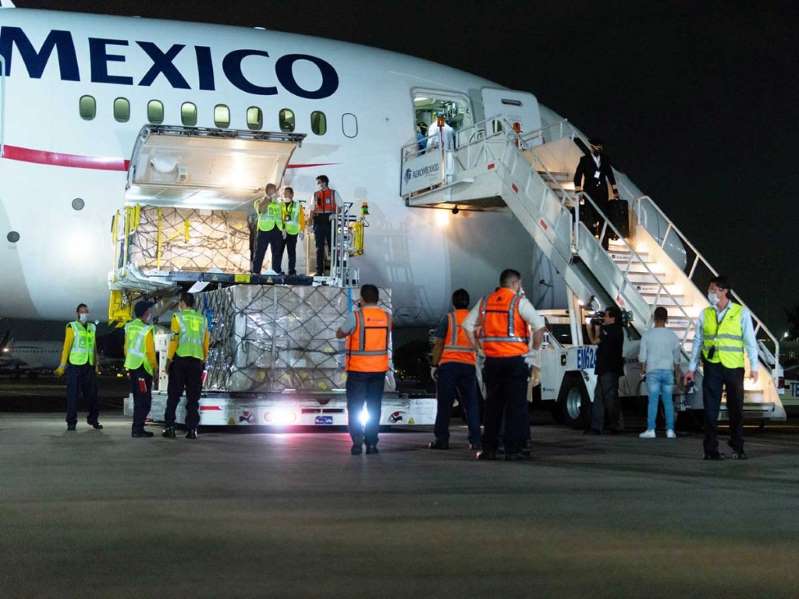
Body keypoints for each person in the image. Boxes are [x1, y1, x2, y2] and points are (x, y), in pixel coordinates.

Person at [463, 269, 546, 461]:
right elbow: (539, 327)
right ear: (515, 283)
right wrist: (533, 352)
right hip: (515, 361)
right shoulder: (519, 302)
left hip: (492, 362)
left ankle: (489, 449)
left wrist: (478, 348)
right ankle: (513, 450)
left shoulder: (485, 302)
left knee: (492, 407)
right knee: (516, 407)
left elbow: (467, 325)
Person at [685, 276, 759, 460]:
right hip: (712, 366)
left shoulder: (741, 312)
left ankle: (737, 446)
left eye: (713, 289)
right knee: (710, 409)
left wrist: (754, 366)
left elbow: (750, 341)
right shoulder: (705, 313)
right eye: (710, 290)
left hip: (734, 367)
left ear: (724, 291)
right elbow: (698, 341)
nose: (710, 293)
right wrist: (691, 368)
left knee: (736, 409)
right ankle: (710, 450)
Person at [336, 284, 391, 455]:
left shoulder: (356, 317)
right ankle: (372, 444)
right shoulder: (387, 317)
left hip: (358, 370)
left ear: (362, 299)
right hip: (379, 370)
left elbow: (340, 333)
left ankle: (357, 443)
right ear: (378, 298)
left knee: (355, 407)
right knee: (374, 407)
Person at [429, 288, 480, 451]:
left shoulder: (448, 318)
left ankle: (442, 440)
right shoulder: (475, 320)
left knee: (445, 405)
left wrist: (434, 365)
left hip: (449, 366)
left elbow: (438, 344)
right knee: (471, 405)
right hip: (468, 366)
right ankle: (475, 440)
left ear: (453, 303)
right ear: (468, 303)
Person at [163, 292, 209, 440]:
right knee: (193, 397)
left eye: (179, 302)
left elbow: (174, 340)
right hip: (196, 361)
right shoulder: (202, 319)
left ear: (182, 303)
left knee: (174, 396)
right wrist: (203, 359)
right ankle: (192, 430)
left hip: (181, 359)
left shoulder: (177, 317)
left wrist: (168, 360)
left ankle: (170, 428)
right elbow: (206, 341)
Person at [55, 303, 102, 432]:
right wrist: (62, 365)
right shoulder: (72, 326)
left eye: (86, 311)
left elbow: (94, 347)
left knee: (93, 395)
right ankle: (71, 422)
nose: (84, 314)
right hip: (75, 365)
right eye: (82, 311)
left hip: (89, 366)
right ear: (77, 313)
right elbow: (66, 347)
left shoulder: (92, 327)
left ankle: (93, 419)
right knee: (73, 396)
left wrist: (96, 364)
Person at [638, 307, 681, 439]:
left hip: (652, 371)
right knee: (668, 402)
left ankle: (651, 429)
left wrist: (642, 370)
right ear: (666, 319)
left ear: (654, 318)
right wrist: (677, 373)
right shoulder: (673, 336)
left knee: (653, 401)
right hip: (668, 371)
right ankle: (670, 430)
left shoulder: (647, 335)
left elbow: (642, 356)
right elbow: (677, 358)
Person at [573, 138, 620, 250]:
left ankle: (604, 246)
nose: (598, 151)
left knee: (603, 217)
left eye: (600, 149)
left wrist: (615, 190)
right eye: (596, 148)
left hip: (602, 194)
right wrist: (578, 191)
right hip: (589, 193)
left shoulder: (605, 159)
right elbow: (578, 175)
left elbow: (610, 175)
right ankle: (590, 244)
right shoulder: (584, 160)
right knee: (590, 219)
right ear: (591, 147)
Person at [586, 305, 625, 434]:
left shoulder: (610, 330)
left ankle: (613, 425)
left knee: (608, 398)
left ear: (612, 318)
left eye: (606, 316)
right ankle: (598, 426)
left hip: (607, 368)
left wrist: (590, 329)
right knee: (602, 397)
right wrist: (599, 328)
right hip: (609, 368)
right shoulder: (618, 330)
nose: (604, 318)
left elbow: (594, 341)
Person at [124, 301, 157, 438]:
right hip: (143, 368)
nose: (150, 313)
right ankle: (137, 429)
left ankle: (137, 428)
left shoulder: (129, 327)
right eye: (148, 311)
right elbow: (150, 352)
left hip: (132, 367)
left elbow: (126, 347)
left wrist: (128, 364)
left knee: (139, 399)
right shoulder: (146, 329)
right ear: (145, 313)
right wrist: (154, 368)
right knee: (144, 400)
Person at [251, 183, 285, 275]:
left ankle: (276, 272)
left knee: (277, 253)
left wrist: (284, 228)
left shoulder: (279, 202)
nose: (274, 192)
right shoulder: (258, 201)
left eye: (275, 190)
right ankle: (256, 272)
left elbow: (282, 215)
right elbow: (261, 210)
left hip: (277, 229)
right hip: (264, 229)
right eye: (272, 190)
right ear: (267, 191)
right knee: (260, 252)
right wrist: (268, 199)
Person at [311, 175, 336, 276]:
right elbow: (312, 209)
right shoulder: (315, 194)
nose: (318, 185)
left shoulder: (333, 193)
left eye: (319, 182)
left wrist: (335, 214)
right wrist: (311, 224)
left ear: (324, 182)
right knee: (319, 248)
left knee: (332, 247)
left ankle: (334, 271)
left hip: (329, 221)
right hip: (318, 222)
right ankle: (319, 271)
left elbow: (341, 206)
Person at [279, 186, 304, 276]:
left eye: (287, 192)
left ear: (292, 194)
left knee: (291, 253)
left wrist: (301, 230)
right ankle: (277, 270)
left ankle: (291, 271)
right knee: (278, 252)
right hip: (282, 232)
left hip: (292, 233)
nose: (285, 194)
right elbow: (278, 218)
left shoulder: (297, 205)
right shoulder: (280, 204)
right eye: (284, 193)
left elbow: (301, 219)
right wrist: (282, 229)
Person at [426, 113, 456, 184]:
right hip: (446, 151)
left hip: (437, 151)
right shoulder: (449, 128)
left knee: (436, 169)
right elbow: (452, 142)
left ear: (436, 117)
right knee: (446, 168)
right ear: (444, 118)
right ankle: (445, 181)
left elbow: (430, 141)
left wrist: (427, 151)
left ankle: (437, 182)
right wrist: (452, 152)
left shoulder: (433, 127)